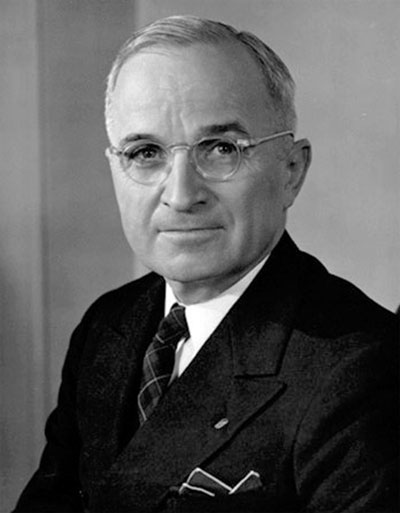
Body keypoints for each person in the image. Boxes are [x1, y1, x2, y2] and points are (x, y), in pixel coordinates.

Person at [13, 15, 398, 513]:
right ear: (115, 168)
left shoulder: (362, 368)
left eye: (221, 149)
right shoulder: (108, 326)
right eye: (145, 152)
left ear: (291, 171)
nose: (181, 194)